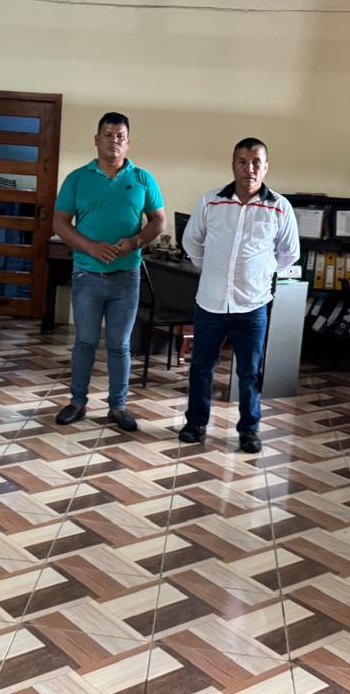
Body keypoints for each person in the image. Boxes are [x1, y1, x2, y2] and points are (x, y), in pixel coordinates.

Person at [179, 138, 299, 453]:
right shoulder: (211, 201)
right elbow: (191, 242)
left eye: (256, 162)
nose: (249, 169)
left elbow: (290, 253)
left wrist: (260, 274)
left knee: (249, 372)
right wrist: (210, 268)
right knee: (201, 366)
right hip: (211, 302)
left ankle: (249, 429)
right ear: (233, 165)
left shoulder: (279, 207)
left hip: (252, 305)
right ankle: (195, 423)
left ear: (266, 167)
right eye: (242, 162)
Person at [53, 113, 166, 431]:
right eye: (108, 134)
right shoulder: (77, 178)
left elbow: (159, 220)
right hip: (86, 275)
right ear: (96, 139)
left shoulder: (142, 178)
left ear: (128, 142)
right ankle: (77, 402)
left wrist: (135, 241)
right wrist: (90, 247)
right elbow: (59, 222)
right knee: (85, 342)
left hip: (125, 277)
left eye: (120, 136)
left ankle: (118, 407)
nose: (113, 141)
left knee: (119, 344)